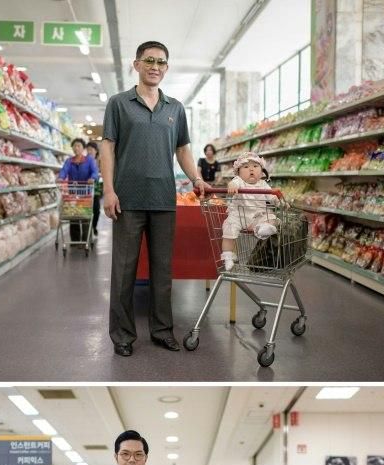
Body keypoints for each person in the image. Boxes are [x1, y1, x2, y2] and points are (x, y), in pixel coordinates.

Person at [100, 40, 208, 358]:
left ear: (166, 68)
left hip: (164, 199)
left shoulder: (175, 108)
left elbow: (183, 149)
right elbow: (107, 147)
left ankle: (162, 331)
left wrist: (196, 178)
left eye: (161, 62)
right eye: (149, 60)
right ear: (136, 65)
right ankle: (122, 335)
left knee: (162, 270)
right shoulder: (119, 104)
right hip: (127, 198)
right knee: (124, 270)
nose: (155, 66)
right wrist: (108, 189)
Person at [220, 151, 278, 271]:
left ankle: (262, 228)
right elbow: (233, 183)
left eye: (255, 166)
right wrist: (232, 186)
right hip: (239, 216)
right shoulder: (239, 181)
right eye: (246, 167)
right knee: (229, 230)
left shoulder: (263, 184)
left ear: (262, 172)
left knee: (271, 217)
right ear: (238, 172)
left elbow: (272, 196)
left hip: (257, 216)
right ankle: (228, 256)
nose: (251, 169)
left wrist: (277, 200)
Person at [86, 140, 102, 236]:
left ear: (96, 151)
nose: (89, 151)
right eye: (87, 150)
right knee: (86, 210)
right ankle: (87, 230)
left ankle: (94, 226)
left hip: (95, 189)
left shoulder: (99, 161)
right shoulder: (84, 160)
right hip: (85, 189)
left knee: (96, 210)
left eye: (91, 149)